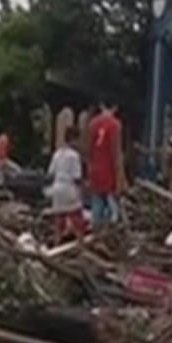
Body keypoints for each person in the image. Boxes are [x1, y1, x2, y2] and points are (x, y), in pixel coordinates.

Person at [45, 126, 87, 245]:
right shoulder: (74, 156)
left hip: (57, 187)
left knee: (59, 217)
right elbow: (77, 177)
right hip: (69, 188)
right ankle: (81, 242)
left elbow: (50, 173)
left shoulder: (57, 154)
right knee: (77, 216)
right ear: (74, 139)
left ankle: (57, 241)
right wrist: (84, 188)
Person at [87, 99, 124, 227]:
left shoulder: (92, 124)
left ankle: (96, 234)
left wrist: (89, 170)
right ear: (115, 108)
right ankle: (109, 235)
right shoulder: (115, 125)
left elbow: (89, 150)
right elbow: (116, 152)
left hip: (95, 172)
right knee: (113, 210)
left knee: (96, 208)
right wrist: (120, 178)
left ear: (101, 105)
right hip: (109, 172)